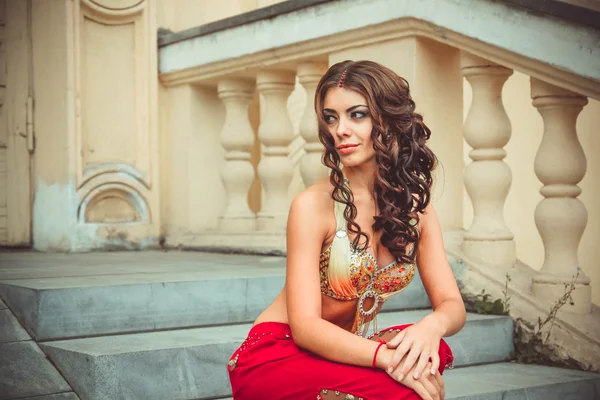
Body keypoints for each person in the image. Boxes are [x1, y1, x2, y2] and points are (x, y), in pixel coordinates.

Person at [228, 60, 466, 400]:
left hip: (343, 350)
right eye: (330, 117)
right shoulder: (312, 206)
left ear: (387, 118)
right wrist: (385, 359)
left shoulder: (415, 208)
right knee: (406, 385)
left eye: (356, 114)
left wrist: (431, 326)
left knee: (430, 349)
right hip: (279, 354)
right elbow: (307, 328)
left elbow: (452, 305)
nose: (340, 129)